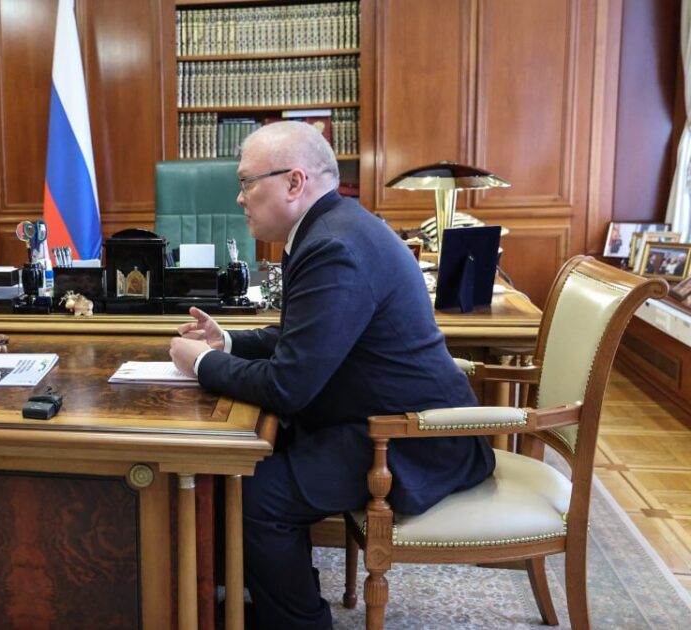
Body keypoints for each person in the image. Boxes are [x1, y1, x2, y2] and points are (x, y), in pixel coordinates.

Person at [168, 122, 495, 630]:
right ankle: (244, 601)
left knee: (255, 494)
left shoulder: (333, 245)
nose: (239, 197)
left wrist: (201, 364)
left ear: (294, 182)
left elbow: (287, 387)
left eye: (247, 182)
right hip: (376, 418)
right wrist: (226, 342)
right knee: (240, 465)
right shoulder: (332, 228)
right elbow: (305, 336)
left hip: (413, 439)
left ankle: (299, 622)